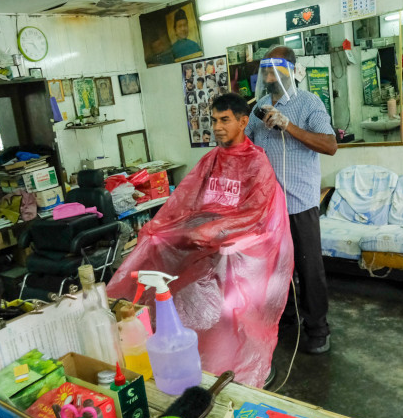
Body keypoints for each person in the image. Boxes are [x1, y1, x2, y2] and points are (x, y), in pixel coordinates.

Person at [108, 93, 293, 386]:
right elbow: (186, 202)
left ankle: (232, 360)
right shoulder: (211, 160)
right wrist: (163, 227)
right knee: (155, 243)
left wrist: (215, 232)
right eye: (214, 120)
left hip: (242, 247)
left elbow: (255, 213)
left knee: (226, 300)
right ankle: (163, 340)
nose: (217, 127)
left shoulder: (257, 163)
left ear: (243, 122)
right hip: (207, 242)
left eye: (225, 120)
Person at [246, 46, 337, 355]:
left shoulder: (309, 103)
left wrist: (288, 126)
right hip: (268, 207)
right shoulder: (258, 107)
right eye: (265, 71)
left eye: (273, 70)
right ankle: (285, 318)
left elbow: (329, 145)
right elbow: (247, 147)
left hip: (300, 203)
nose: (268, 76)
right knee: (274, 269)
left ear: (288, 70)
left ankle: (317, 328)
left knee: (309, 269)